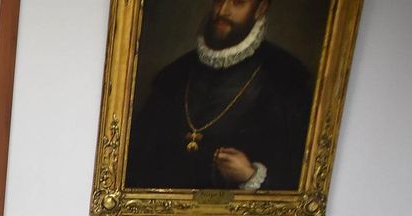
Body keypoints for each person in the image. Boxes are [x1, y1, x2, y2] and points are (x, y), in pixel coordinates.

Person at [125, 0, 313, 191]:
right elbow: (134, 165)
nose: (222, 11)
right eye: (218, 0)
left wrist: (251, 176)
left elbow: (298, 178)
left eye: (238, 2)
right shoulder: (174, 75)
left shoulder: (288, 77)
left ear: (261, 8)